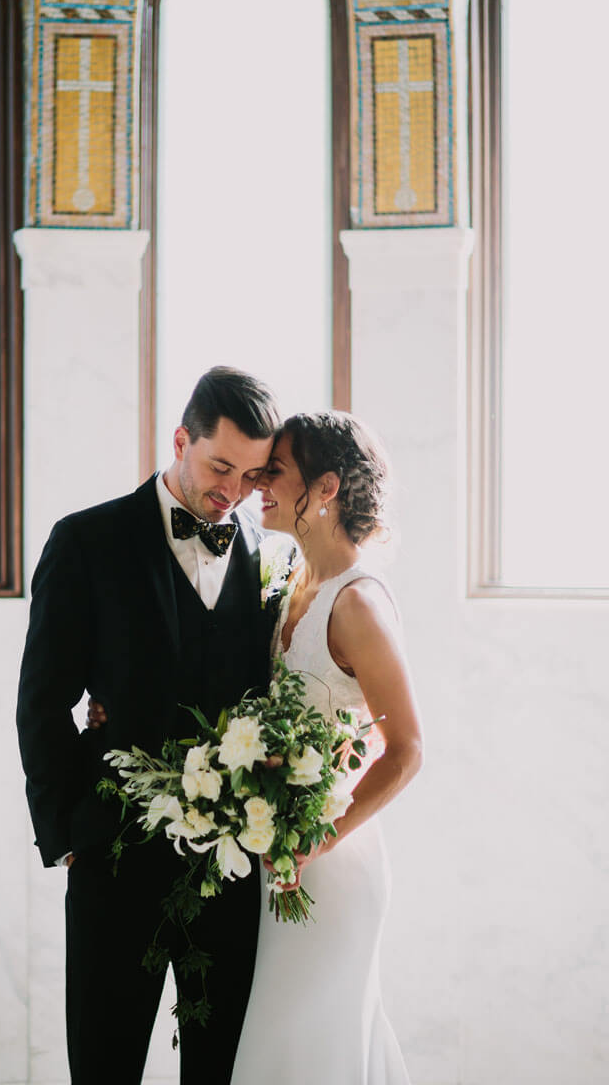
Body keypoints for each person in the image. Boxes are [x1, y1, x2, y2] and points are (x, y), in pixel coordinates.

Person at [16, 366, 281, 1085]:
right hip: (115, 862)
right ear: (180, 440)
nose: (232, 491)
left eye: (253, 476)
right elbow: (42, 700)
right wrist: (68, 833)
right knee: (104, 1065)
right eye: (219, 465)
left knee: (218, 1069)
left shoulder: (271, 559)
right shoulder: (86, 541)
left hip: (228, 870)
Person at [230, 410, 423, 1084]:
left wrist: (321, 839)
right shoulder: (290, 583)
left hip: (332, 870)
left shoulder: (359, 603)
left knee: (311, 1044)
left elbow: (407, 749)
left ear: (327, 488)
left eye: (275, 470)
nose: (257, 481)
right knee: (278, 1049)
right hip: (277, 859)